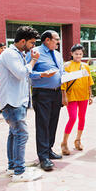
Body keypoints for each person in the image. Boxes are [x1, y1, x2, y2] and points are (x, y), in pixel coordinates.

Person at [0, 26, 42, 182]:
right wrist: (34, 60)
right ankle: (19, 172)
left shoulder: (18, 54)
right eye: (31, 43)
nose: (33, 46)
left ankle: (13, 166)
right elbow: (21, 73)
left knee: (14, 134)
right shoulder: (10, 54)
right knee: (21, 134)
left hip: (16, 101)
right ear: (23, 41)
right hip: (12, 102)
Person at [28, 30, 64, 172]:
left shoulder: (57, 54)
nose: (58, 42)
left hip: (56, 93)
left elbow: (61, 72)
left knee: (52, 122)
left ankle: (49, 150)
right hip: (42, 93)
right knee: (43, 124)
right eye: (56, 39)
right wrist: (42, 74)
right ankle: (43, 157)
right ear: (47, 40)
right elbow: (27, 73)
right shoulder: (34, 53)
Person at [60, 44, 94, 155]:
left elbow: (89, 82)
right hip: (71, 96)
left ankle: (78, 140)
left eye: (80, 54)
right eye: (76, 54)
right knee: (73, 118)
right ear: (71, 54)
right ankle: (64, 142)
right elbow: (63, 81)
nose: (78, 56)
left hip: (83, 95)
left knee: (82, 118)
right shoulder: (67, 65)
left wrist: (90, 95)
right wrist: (63, 95)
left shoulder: (85, 66)